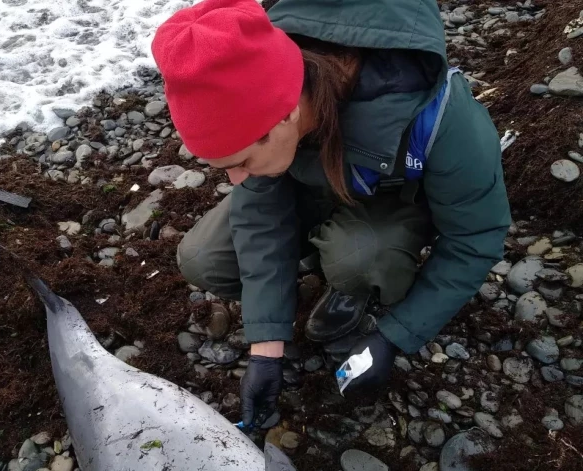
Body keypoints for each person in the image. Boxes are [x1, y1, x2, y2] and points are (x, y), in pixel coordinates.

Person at [151, 0, 511, 428]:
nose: (235, 179)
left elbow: (476, 238)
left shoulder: (441, 115)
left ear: (286, 116)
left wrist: (394, 337)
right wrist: (266, 348)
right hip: (318, 183)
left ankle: (357, 286)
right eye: (223, 166)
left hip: (393, 201)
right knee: (204, 259)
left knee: (358, 257)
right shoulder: (263, 86)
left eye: (243, 160)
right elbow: (260, 217)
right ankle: (326, 252)